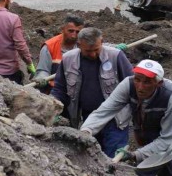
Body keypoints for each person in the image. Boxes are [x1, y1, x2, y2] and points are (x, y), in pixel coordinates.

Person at [51, 27, 133, 157]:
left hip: (115, 119)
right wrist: (53, 107)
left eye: (96, 50)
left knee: (113, 158)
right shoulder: (68, 59)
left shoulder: (115, 56)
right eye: (88, 51)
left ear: (102, 41)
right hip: (87, 118)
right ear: (79, 45)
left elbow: (132, 86)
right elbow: (60, 89)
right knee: (92, 158)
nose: (93, 54)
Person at [33, 15, 85, 94]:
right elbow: (43, 69)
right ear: (62, 29)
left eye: (78, 32)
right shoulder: (49, 47)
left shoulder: (85, 46)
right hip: (54, 91)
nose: (74, 35)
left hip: (76, 90)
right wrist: (41, 77)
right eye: (70, 31)